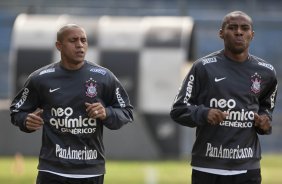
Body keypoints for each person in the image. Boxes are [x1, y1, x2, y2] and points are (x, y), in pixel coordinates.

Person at [10, 24, 134, 184]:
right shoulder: (40, 78)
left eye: (83, 40)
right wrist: (25, 120)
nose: (80, 45)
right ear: (59, 46)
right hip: (52, 169)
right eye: (73, 40)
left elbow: (126, 111)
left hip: (90, 170)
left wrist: (107, 113)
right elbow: (17, 110)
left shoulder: (104, 77)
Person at [170, 11, 278, 184]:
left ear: (252, 34)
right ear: (221, 33)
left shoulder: (267, 72)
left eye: (244, 28)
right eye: (232, 27)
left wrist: (265, 122)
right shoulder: (203, 68)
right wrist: (204, 114)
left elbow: (266, 108)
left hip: (247, 167)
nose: (239, 32)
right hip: (207, 166)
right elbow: (178, 109)